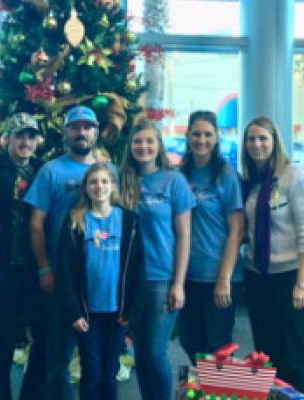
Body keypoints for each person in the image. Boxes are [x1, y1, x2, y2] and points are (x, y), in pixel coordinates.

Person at [24, 105, 101, 400]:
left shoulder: (109, 171)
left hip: (98, 282)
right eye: (75, 127)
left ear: (96, 132)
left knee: (96, 361)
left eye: (87, 127)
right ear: (66, 132)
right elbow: (36, 223)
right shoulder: (51, 171)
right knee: (58, 361)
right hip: (60, 280)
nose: (81, 132)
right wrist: (44, 267)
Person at [241, 116, 304, 397]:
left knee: (292, 354)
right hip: (257, 276)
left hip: (289, 279)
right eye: (251, 139)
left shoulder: (294, 176)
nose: (257, 144)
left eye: (263, 138)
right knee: (265, 353)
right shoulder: (252, 181)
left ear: (275, 142)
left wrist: (303, 282)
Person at [120, 118, 195, 400]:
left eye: (149, 141)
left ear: (159, 145)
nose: (143, 146)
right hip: (131, 280)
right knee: (139, 350)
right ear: (130, 146)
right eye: (138, 141)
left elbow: (184, 236)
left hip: (162, 278)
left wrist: (179, 283)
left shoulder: (174, 181)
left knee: (155, 350)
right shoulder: (122, 179)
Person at [56, 164, 143, 400]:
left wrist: (131, 309)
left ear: (113, 186)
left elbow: (138, 269)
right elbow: (65, 272)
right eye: (93, 182)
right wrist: (74, 312)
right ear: (85, 188)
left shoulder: (129, 221)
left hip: (118, 312)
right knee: (91, 370)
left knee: (109, 371)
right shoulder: (75, 221)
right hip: (87, 314)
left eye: (104, 181)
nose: (99, 186)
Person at [0, 113, 45, 400]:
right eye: (20, 135)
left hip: (36, 269)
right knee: (2, 345)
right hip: (3, 269)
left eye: (31, 136)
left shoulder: (44, 172)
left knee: (43, 341)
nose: (25, 141)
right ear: (6, 138)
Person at [177, 111, 244, 364]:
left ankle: (217, 390)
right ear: (187, 136)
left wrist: (224, 278)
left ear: (216, 138)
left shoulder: (226, 175)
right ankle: (204, 387)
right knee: (189, 338)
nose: (201, 140)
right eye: (196, 134)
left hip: (219, 275)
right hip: (188, 275)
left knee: (217, 346)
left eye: (207, 134)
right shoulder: (182, 174)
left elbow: (236, 231)